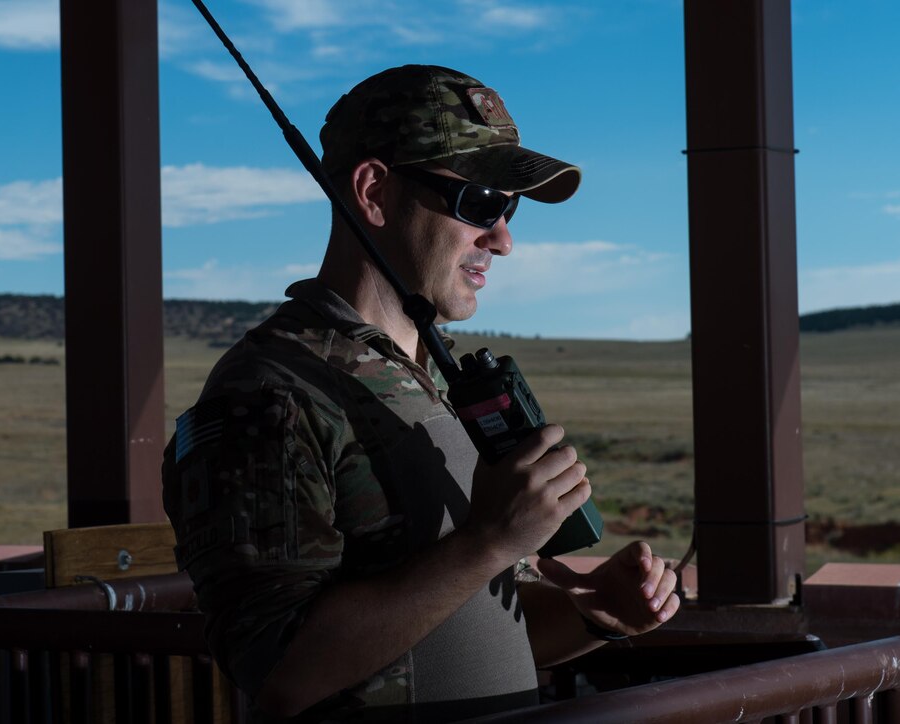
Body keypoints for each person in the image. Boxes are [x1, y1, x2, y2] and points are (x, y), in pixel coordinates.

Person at [161, 64, 680, 723]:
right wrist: (490, 539)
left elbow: (475, 614)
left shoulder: (431, 385)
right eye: (481, 201)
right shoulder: (270, 395)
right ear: (374, 193)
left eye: (509, 207)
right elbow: (282, 670)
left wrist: (595, 614)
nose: (503, 238)